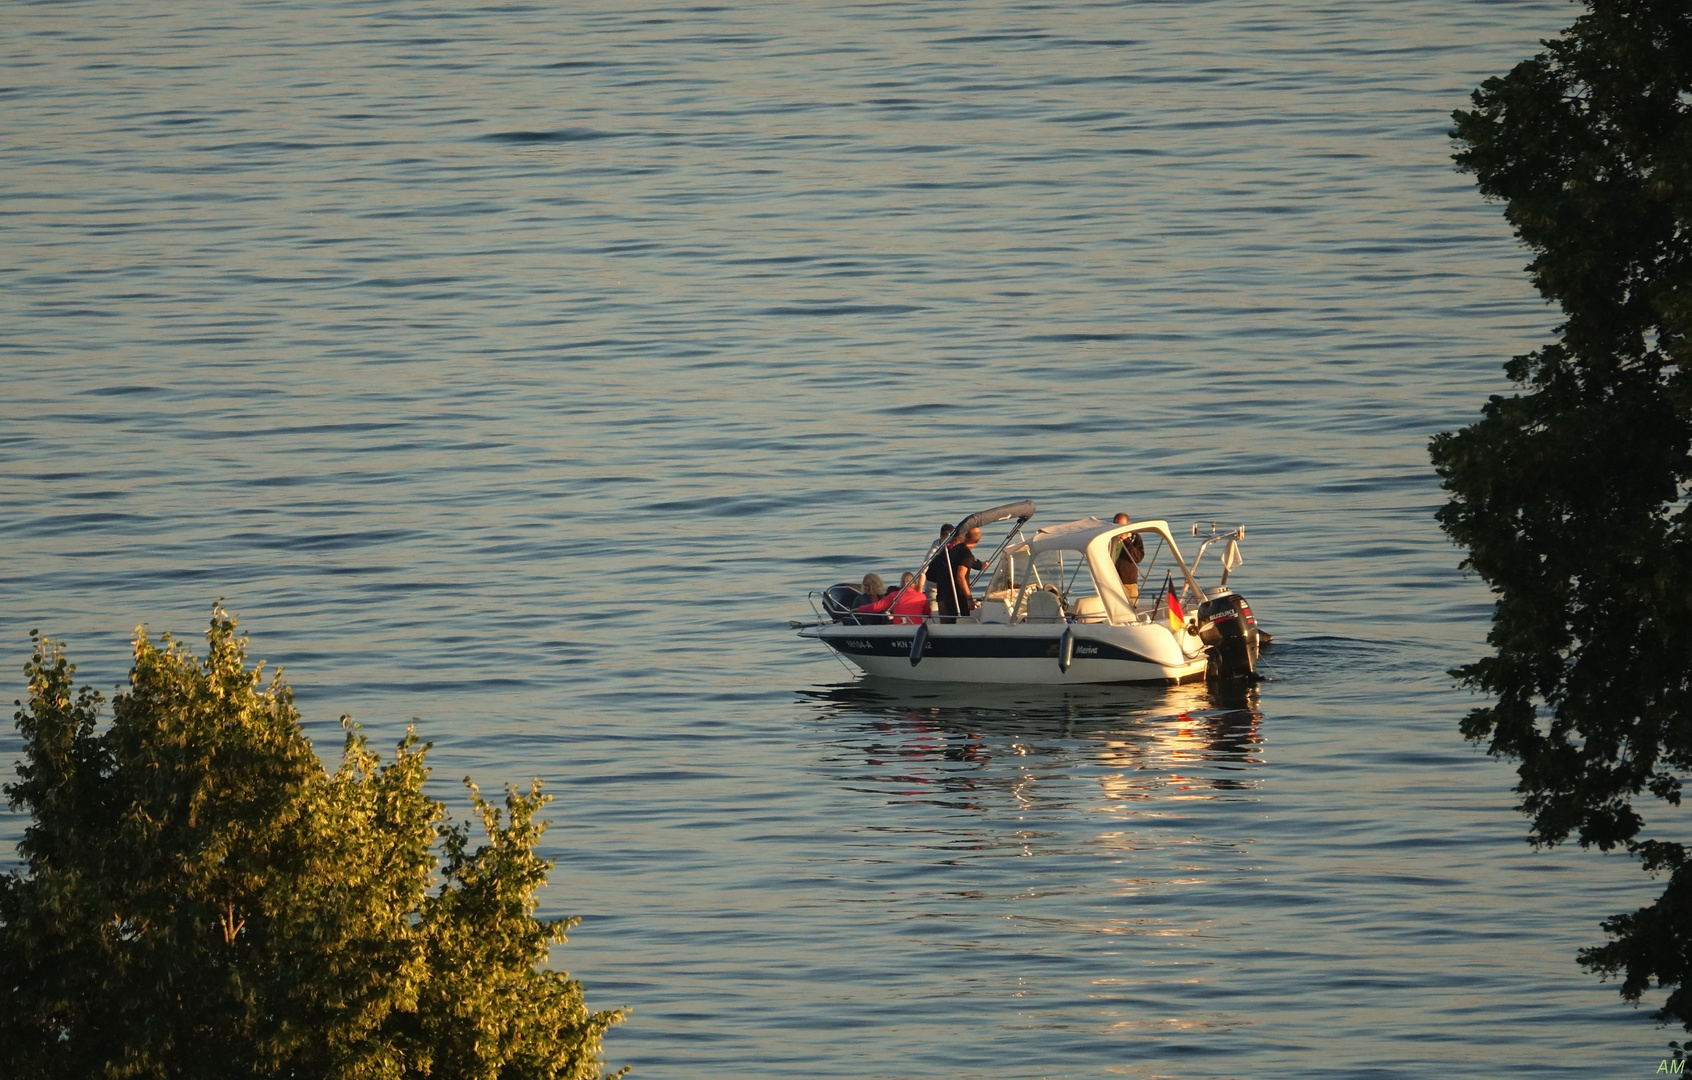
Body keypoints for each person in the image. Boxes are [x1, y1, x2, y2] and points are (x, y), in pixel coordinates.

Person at [925, 525, 986, 619]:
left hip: (942, 597)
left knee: (946, 627)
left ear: (965, 536)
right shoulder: (967, 554)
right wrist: (969, 598)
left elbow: (930, 575)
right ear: (977, 541)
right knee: (963, 624)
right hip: (958, 599)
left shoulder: (945, 552)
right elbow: (960, 577)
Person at [855, 571, 927, 624]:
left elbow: (876, 607)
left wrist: (859, 609)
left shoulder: (893, 596)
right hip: (915, 628)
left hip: (892, 628)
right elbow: (927, 612)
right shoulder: (921, 596)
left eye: (869, 585)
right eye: (865, 585)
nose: (867, 588)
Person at [1110, 512, 1145, 601]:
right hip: (1111, 582)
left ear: (1128, 524)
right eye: (1117, 526)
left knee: (1130, 609)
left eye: (1122, 526)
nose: (1119, 530)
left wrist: (1126, 540)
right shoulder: (1110, 538)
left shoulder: (1135, 537)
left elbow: (1138, 557)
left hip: (1128, 583)